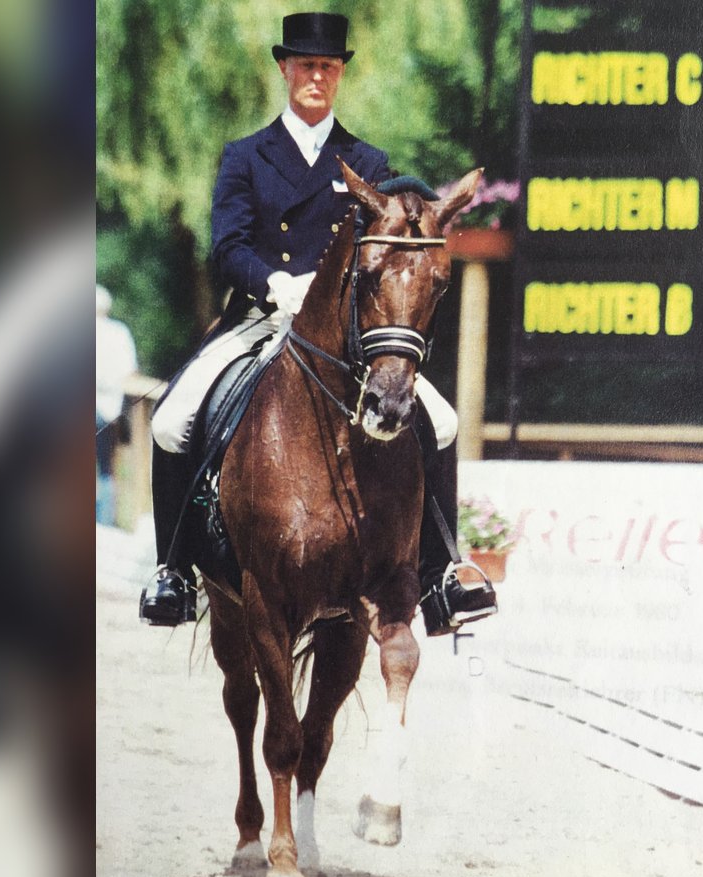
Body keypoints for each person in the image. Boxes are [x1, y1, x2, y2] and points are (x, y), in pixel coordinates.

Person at [139, 12, 497, 636]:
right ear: (285, 69)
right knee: (172, 419)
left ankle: (442, 574)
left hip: (343, 334)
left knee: (442, 421)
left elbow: (387, 250)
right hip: (261, 315)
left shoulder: (367, 159)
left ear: (338, 76)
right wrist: (277, 284)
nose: (317, 77)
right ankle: (172, 571)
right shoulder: (246, 156)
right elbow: (227, 245)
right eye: (306, 65)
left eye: (328, 68)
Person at [95, 284, 137, 525]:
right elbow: (129, 370)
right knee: (106, 466)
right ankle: (104, 523)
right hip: (109, 407)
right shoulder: (119, 332)